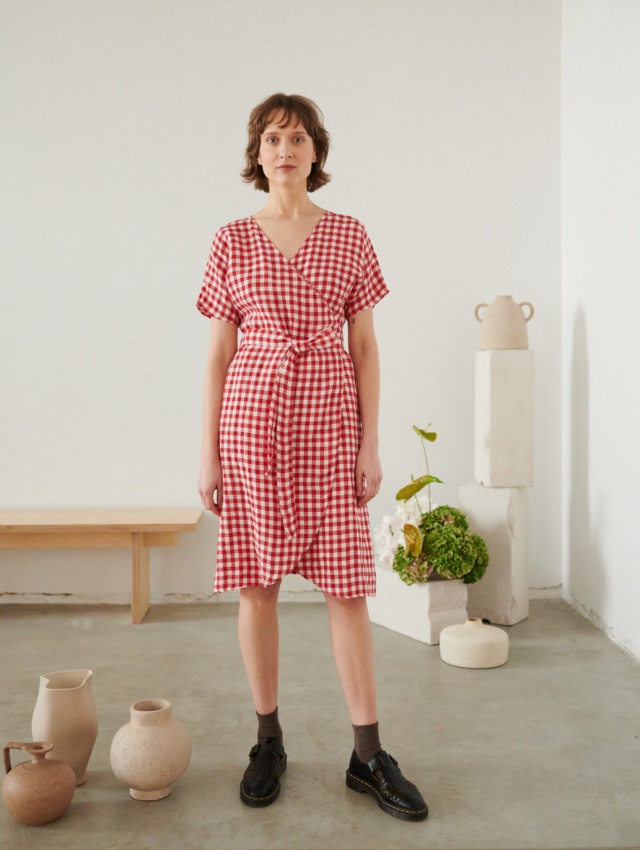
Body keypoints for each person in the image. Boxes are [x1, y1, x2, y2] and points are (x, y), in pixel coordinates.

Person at [196, 93, 428, 822]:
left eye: (297, 137)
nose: (285, 149)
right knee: (257, 584)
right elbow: (219, 355)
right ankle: (268, 740)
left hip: (330, 421)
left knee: (346, 587)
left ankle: (368, 755)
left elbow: (364, 346)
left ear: (316, 151)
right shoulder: (232, 239)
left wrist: (371, 439)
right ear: (256, 154)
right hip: (252, 424)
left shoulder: (350, 234)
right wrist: (207, 453)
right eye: (272, 138)